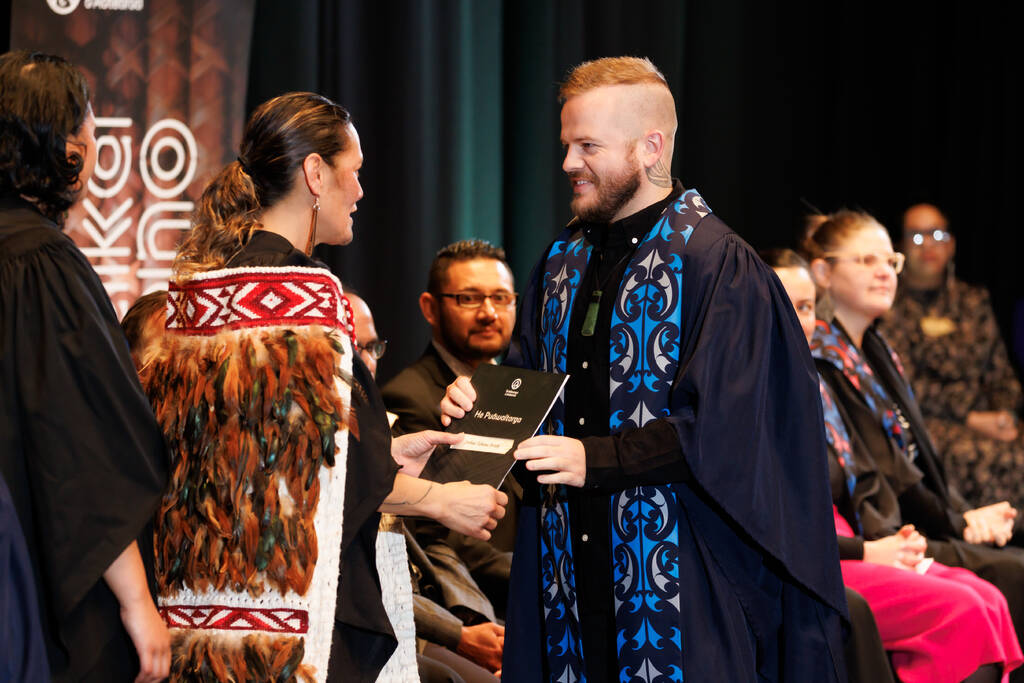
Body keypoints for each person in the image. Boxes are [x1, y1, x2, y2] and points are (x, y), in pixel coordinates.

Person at [442, 56, 846, 681]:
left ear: (650, 148)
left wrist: (593, 459)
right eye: (567, 145)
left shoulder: (718, 266)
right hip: (566, 570)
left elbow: (726, 428)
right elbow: (528, 383)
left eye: (588, 146)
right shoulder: (561, 260)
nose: (569, 163)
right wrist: (478, 401)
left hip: (682, 575)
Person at [140, 91, 507, 682]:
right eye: (353, 173)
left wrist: (386, 454)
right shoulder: (311, 301)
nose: (360, 192)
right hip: (295, 628)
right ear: (316, 173)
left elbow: (256, 458)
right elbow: (341, 471)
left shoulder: (190, 298)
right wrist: (443, 500)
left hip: (201, 618)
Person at [767, 247, 1022, 683]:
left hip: (861, 535)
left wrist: (898, 535)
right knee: (973, 603)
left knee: (991, 601)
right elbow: (779, 514)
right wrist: (881, 545)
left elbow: (872, 474)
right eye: (865, 260)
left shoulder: (825, 375)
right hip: (823, 552)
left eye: (806, 307)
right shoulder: (765, 386)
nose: (883, 272)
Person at [0, 50, 170, 682]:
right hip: (45, 596)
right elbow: (85, 448)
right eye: (93, 133)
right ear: (63, 148)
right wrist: (137, 602)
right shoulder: (46, 267)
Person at [352, 290, 502, 682]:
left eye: (372, 347)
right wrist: (457, 633)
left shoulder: (380, 427)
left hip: (428, 602)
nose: (365, 361)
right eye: (352, 347)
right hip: (377, 622)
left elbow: (422, 550)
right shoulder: (309, 440)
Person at [880, 203, 1024, 508]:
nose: (929, 244)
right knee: (993, 459)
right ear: (900, 247)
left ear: (952, 244)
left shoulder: (973, 301)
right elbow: (905, 384)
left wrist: (1004, 414)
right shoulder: (888, 307)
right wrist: (971, 419)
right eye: (917, 237)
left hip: (989, 418)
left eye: (937, 234)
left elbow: (1001, 372)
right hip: (928, 422)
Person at [382, 239, 516, 437]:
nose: (489, 314)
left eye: (500, 298)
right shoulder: (406, 398)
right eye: (468, 298)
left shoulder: (522, 386)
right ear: (431, 308)